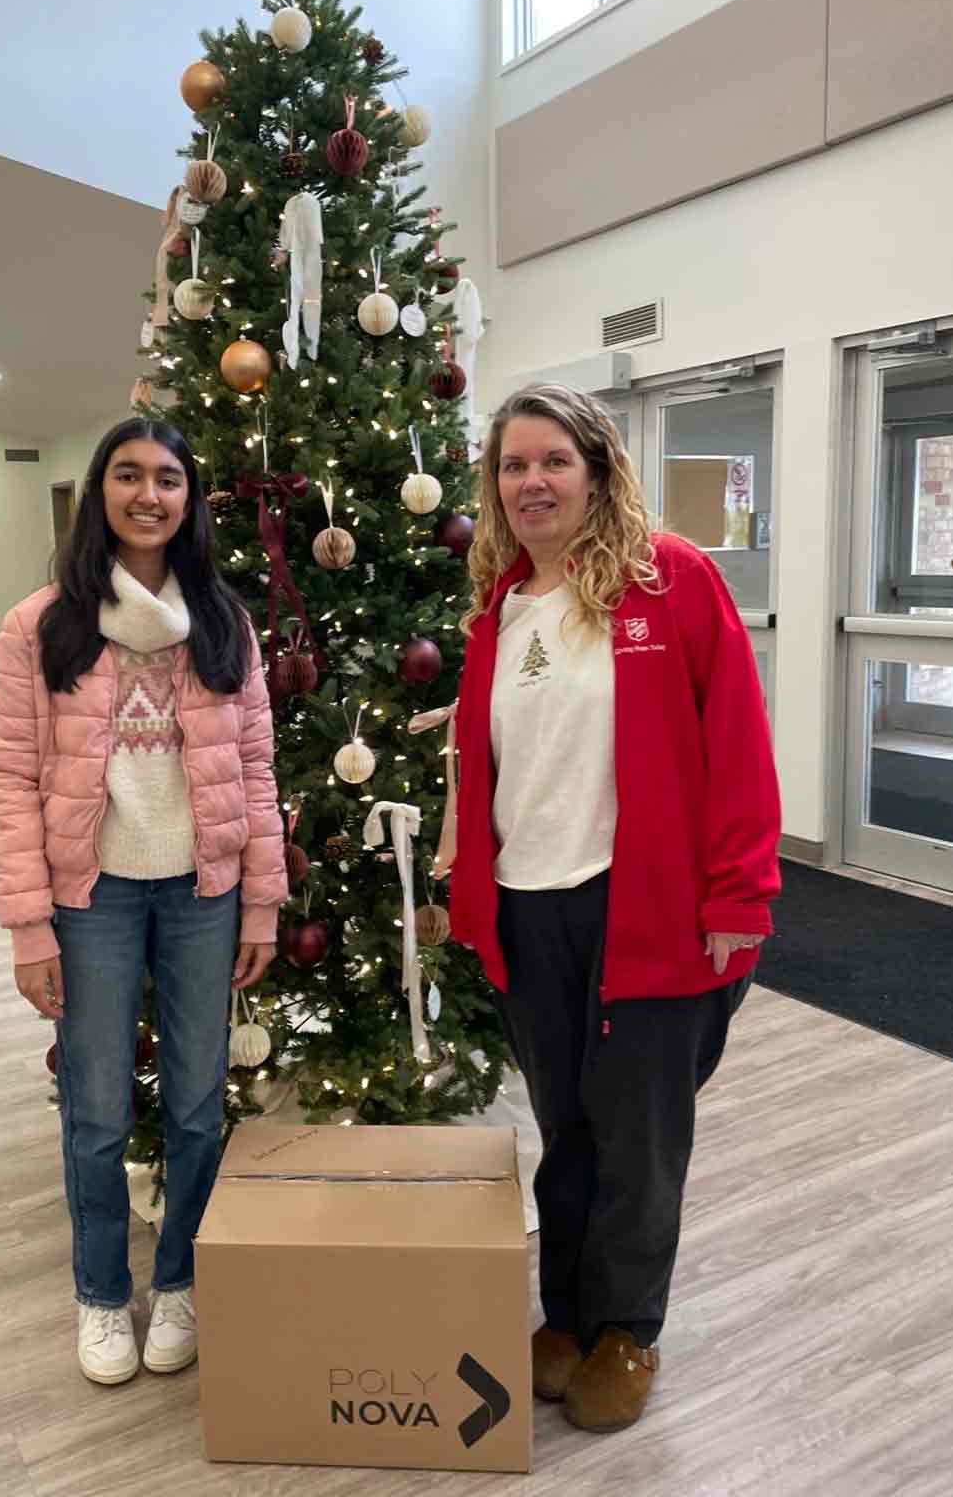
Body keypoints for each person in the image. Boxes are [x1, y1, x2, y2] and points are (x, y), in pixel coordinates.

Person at [449, 384, 780, 1433]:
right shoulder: (499, 608)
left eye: (554, 460)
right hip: (528, 906)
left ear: (597, 470)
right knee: (566, 1126)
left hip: (646, 907)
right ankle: (569, 1314)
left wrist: (740, 892)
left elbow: (737, 739)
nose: (533, 482)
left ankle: (627, 1328)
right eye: (513, 465)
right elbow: (491, 764)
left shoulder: (669, 580)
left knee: (639, 1133)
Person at [0, 417, 286, 1387]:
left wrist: (262, 906)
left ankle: (182, 1280)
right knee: (97, 1111)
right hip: (93, 900)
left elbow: (255, 770)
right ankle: (102, 1294)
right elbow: (10, 783)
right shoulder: (40, 627)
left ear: (189, 499)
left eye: (167, 478)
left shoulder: (224, 622)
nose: (148, 495)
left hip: (204, 893)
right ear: (100, 491)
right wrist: (29, 927)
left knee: (196, 1107)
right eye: (128, 475)